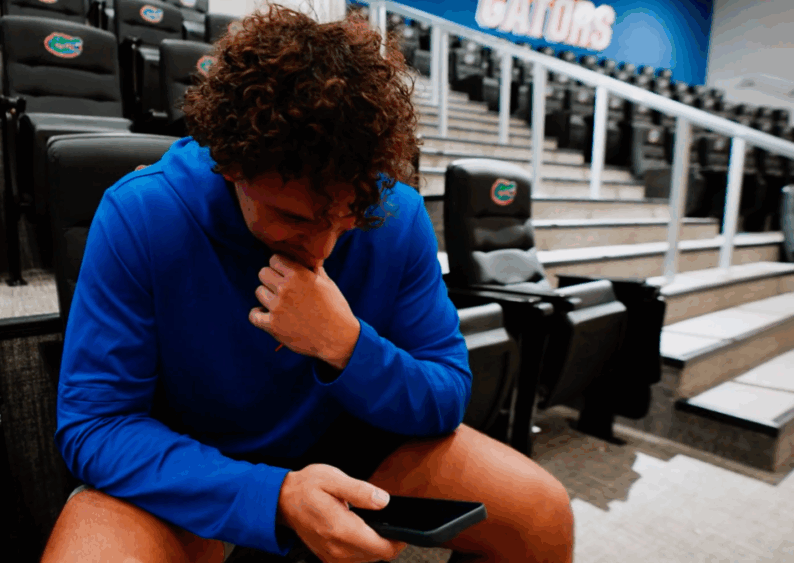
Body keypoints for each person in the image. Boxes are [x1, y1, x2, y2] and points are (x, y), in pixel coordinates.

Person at [41, 4, 574, 563]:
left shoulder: (398, 212)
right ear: (230, 165)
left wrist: (346, 346)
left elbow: (447, 394)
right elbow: (96, 426)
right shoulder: (141, 214)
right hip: (196, 469)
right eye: (294, 218)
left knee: (541, 512)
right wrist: (270, 496)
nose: (321, 249)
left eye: (346, 218)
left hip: (350, 452)